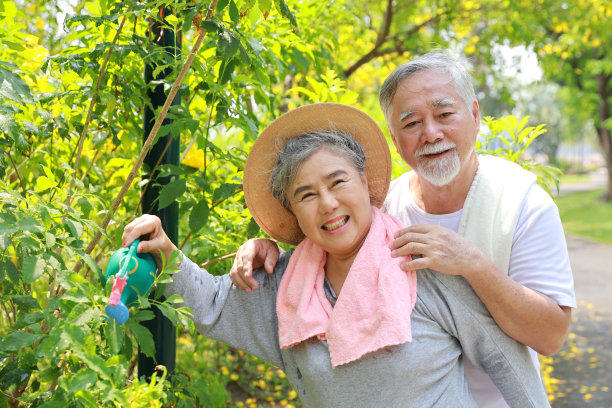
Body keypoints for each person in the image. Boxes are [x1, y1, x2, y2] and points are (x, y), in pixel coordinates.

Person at [122, 103, 550, 407]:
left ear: (365, 181)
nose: (327, 203)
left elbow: (504, 357)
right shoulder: (286, 285)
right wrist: (166, 251)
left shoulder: (423, 263)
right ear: (293, 211)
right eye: (306, 194)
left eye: (338, 181)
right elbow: (216, 305)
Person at [229, 52, 576, 407]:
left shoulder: (522, 204)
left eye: (444, 115)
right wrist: (267, 249)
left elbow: (550, 336)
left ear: (474, 115)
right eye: (411, 124)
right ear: (395, 139)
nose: (430, 134)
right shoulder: (382, 208)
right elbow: (318, 255)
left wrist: (473, 263)